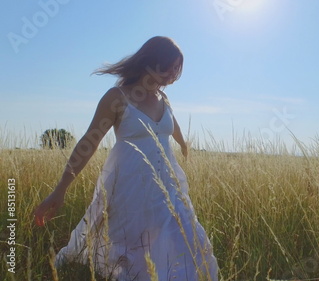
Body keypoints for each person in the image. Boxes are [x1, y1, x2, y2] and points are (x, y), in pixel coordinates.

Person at [33, 36, 219, 280]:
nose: (174, 75)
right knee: (129, 243)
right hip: (128, 186)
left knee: (179, 232)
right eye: (171, 67)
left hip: (167, 184)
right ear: (153, 61)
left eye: (177, 69)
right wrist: (60, 189)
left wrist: (184, 145)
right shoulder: (117, 97)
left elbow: (173, 126)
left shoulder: (164, 100)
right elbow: (89, 143)